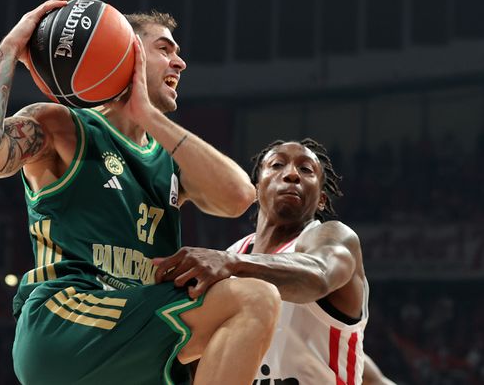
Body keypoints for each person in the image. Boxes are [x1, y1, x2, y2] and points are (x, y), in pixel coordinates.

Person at [0, 0, 281, 385]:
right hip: (68, 318)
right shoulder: (63, 126)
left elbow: (239, 197)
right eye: (164, 49)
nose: (180, 62)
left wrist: (147, 116)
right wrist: (8, 50)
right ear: (124, 49)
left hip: (132, 329)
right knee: (253, 298)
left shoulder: (170, 158)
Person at [155, 138, 371, 384]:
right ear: (256, 189)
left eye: (306, 169)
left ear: (321, 199)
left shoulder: (332, 236)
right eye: (277, 165)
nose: (292, 174)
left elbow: (320, 276)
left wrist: (231, 263)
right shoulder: (231, 255)